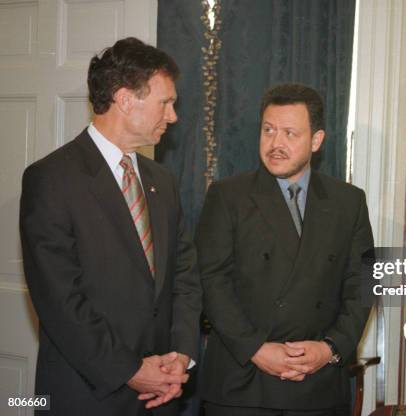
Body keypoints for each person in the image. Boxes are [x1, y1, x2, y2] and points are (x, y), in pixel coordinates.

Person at [20, 37, 201, 416]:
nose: (173, 117)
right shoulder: (51, 179)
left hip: (161, 393)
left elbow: (185, 275)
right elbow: (59, 299)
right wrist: (130, 370)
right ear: (124, 99)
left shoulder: (162, 180)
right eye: (165, 103)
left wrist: (181, 354)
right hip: (86, 394)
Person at [195, 83, 374, 415]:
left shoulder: (349, 201)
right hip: (242, 384)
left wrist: (330, 349)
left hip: (318, 385)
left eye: (290, 133)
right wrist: (256, 349)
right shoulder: (227, 196)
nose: (276, 143)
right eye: (268, 130)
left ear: (316, 140)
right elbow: (211, 282)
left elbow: (363, 284)